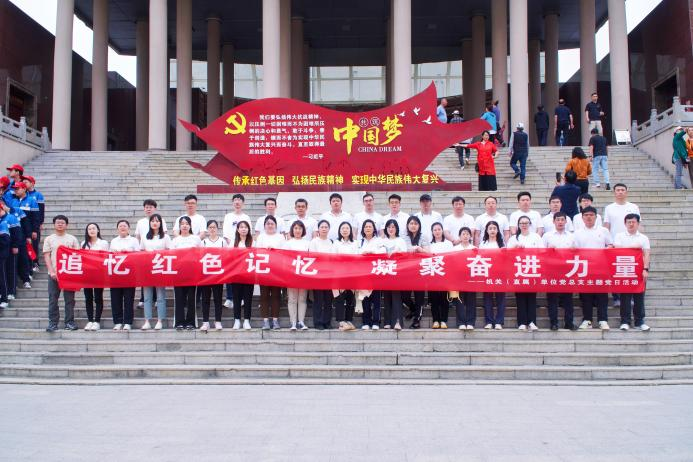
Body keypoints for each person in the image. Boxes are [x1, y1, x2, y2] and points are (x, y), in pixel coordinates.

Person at [573, 206, 613, 330]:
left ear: (596, 217)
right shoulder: (577, 232)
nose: (589, 217)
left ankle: (603, 320)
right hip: (584, 268)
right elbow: (574, 249)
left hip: (601, 267)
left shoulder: (603, 230)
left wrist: (606, 250)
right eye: (586, 215)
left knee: (602, 295)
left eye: (591, 215)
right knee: (586, 296)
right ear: (582, 217)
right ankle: (587, 320)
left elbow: (610, 245)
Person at [507, 215, 544, 331]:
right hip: (518, 271)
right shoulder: (514, 238)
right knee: (520, 297)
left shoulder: (536, 236)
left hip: (532, 270)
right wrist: (515, 248)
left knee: (532, 297)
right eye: (522, 223)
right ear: (518, 225)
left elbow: (542, 251)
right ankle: (522, 322)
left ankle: (532, 321)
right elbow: (507, 253)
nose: (524, 225)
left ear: (530, 224)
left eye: (526, 223)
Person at [615, 214, 651, 331]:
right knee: (625, 296)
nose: (631, 224)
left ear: (638, 223)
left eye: (633, 222)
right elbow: (617, 250)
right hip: (624, 269)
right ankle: (625, 321)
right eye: (629, 222)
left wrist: (645, 269)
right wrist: (633, 247)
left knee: (639, 295)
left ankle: (639, 321)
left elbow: (647, 254)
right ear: (625, 224)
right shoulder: (619, 236)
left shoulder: (643, 238)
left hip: (639, 270)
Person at [43, 215, 80, 332]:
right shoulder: (49, 239)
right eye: (58, 222)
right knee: (53, 299)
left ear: (66, 225)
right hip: (53, 274)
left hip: (69, 274)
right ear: (54, 224)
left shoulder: (72, 239)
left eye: (62, 223)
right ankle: (53, 323)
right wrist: (51, 271)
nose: (60, 224)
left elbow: (77, 255)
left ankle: (69, 322)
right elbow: (47, 256)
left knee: (70, 300)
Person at [542, 212, 577, 330]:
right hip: (551, 269)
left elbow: (578, 252)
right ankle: (554, 323)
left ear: (566, 221)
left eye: (562, 220)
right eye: (558, 220)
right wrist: (548, 250)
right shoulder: (547, 236)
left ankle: (569, 322)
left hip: (568, 270)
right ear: (554, 221)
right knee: (552, 297)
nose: (560, 222)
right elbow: (541, 252)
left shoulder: (572, 236)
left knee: (568, 298)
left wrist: (574, 250)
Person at [138, 214, 171, 331]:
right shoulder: (144, 237)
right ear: (150, 223)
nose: (155, 223)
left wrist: (159, 253)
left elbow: (170, 251)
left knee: (160, 296)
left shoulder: (165, 237)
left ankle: (160, 320)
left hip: (160, 268)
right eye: (152, 221)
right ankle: (147, 320)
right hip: (147, 269)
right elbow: (141, 251)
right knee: (147, 297)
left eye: (157, 221)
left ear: (161, 223)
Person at [170, 216, 202, 330]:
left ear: (190, 226)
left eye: (187, 223)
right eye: (182, 224)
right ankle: (179, 322)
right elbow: (171, 256)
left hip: (193, 273)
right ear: (179, 226)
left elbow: (201, 254)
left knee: (191, 298)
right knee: (179, 298)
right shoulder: (175, 240)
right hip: (178, 273)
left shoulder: (196, 239)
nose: (184, 226)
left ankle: (191, 322)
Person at [109, 220, 140, 331]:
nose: (122, 227)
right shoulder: (114, 241)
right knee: (115, 299)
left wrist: (128, 252)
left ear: (128, 228)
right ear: (117, 228)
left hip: (129, 274)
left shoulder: (134, 240)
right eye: (120, 226)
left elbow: (139, 255)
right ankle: (117, 322)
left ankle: (128, 322)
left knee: (128, 299)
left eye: (125, 226)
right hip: (115, 274)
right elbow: (109, 256)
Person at [7, 181, 39, 288]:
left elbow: (35, 217)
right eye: (14, 189)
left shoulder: (31, 200)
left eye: (18, 188)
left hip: (25, 233)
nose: (15, 190)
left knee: (24, 256)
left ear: (24, 189)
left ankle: (28, 275)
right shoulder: (13, 201)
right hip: (14, 234)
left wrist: (32, 232)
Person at [255, 216, 285, 330]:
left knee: (276, 295)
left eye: (272, 223)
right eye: (268, 223)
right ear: (264, 226)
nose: (270, 225)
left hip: (277, 270)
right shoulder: (261, 237)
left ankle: (275, 320)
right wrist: (265, 250)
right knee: (264, 295)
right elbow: (257, 251)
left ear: (276, 225)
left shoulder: (280, 237)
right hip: (264, 270)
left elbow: (284, 252)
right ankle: (265, 321)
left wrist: (275, 250)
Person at [222, 193, 251, 308]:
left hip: (244, 250)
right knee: (230, 273)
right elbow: (225, 233)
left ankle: (242, 298)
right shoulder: (228, 216)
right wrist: (233, 245)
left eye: (239, 200)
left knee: (242, 274)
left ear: (243, 203)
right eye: (235, 200)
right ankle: (230, 298)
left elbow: (249, 232)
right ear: (233, 202)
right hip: (231, 249)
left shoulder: (246, 217)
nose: (237, 202)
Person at [402, 216, 430, 329]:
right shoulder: (403, 237)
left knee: (419, 297)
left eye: (415, 223)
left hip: (420, 271)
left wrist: (420, 249)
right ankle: (413, 310)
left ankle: (417, 319)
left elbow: (429, 253)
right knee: (404, 297)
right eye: (411, 223)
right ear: (407, 225)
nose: (413, 225)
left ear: (419, 225)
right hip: (406, 271)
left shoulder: (423, 236)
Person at [80, 224, 109, 331]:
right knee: (88, 298)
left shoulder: (103, 243)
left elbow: (106, 257)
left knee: (98, 297)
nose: (91, 230)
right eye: (89, 229)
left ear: (98, 230)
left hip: (99, 273)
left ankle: (97, 321)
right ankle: (90, 320)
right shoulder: (84, 243)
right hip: (86, 273)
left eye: (93, 228)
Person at [357, 219, 385, 330]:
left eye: (370, 226)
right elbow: (355, 253)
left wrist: (373, 253)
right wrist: (363, 253)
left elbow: (383, 251)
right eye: (366, 227)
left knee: (376, 299)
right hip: (363, 274)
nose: (368, 228)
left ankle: (376, 322)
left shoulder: (379, 240)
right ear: (363, 229)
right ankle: (366, 322)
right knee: (365, 299)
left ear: (374, 229)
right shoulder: (359, 242)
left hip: (375, 273)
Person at [283, 220, 310, 330]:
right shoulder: (288, 243)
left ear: (303, 230)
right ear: (292, 230)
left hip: (304, 274)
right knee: (292, 298)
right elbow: (284, 258)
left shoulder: (307, 243)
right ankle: (293, 322)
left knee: (302, 298)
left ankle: (301, 321)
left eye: (300, 228)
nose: (298, 230)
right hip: (291, 274)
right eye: (295, 228)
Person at [381, 219, 407, 330]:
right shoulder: (382, 241)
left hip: (397, 272)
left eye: (393, 227)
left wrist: (396, 252)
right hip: (384, 271)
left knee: (396, 297)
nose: (391, 229)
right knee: (386, 296)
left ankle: (397, 322)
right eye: (389, 227)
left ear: (396, 228)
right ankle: (387, 321)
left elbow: (405, 254)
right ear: (386, 229)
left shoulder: (400, 241)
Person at [200, 220, 226, 331]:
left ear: (217, 229)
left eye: (214, 227)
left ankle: (218, 321)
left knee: (218, 299)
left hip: (218, 275)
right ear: (207, 229)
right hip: (206, 274)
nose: (212, 229)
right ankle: (205, 322)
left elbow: (227, 256)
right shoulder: (203, 242)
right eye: (210, 227)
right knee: (205, 299)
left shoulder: (222, 241)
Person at [479, 221, 505, 330]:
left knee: (500, 299)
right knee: (487, 298)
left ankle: (499, 321)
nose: (492, 230)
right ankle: (489, 321)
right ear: (487, 230)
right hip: (487, 273)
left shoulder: (502, 244)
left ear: (498, 230)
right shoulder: (483, 244)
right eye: (490, 228)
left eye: (494, 228)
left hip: (500, 273)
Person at [309, 220, 335, 329]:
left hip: (329, 274)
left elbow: (334, 257)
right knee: (318, 299)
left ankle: (327, 322)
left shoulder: (332, 242)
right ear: (318, 229)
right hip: (318, 274)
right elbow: (312, 256)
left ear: (329, 229)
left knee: (328, 299)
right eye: (322, 227)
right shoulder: (314, 242)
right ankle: (318, 322)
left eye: (326, 227)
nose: (324, 229)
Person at [333, 222, 358, 331]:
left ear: (350, 230)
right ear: (339, 230)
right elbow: (333, 258)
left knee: (350, 298)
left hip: (352, 274)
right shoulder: (336, 243)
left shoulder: (355, 243)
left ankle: (348, 320)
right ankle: (341, 322)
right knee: (339, 298)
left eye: (347, 228)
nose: (345, 230)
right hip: (339, 274)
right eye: (342, 228)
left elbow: (357, 257)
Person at [429, 222, 453, 329]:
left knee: (444, 298)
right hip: (432, 274)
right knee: (434, 298)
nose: (437, 231)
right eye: (435, 230)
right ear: (432, 232)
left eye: (439, 229)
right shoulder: (429, 245)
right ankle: (435, 320)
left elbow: (451, 258)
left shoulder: (448, 244)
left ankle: (443, 320)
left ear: (442, 230)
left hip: (445, 274)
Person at [452, 227, 476, 330]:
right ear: (459, 236)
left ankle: (470, 322)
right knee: (459, 300)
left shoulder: (474, 248)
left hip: (471, 277)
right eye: (463, 234)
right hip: (458, 278)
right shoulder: (455, 249)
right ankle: (461, 322)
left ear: (470, 236)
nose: (465, 236)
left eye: (467, 234)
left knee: (471, 300)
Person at [231, 221, 254, 330]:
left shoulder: (253, 242)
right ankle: (237, 320)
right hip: (236, 275)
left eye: (245, 227)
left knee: (248, 298)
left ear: (249, 229)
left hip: (249, 274)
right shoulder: (233, 242)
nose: (243, 229)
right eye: (241, 227)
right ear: (238, 229)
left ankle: (247, 320)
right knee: (236, 298)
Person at [0, 201, 21, 301]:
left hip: (11, 247)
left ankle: (11, 292)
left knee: (11, 269)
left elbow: (17, 232)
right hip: (3, 248)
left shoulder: (11, 218)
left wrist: (15, 245)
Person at [22, 176, 44, 272]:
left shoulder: (38, 195)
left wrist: (40, 223)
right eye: (23, 181)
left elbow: (41, 211)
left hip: (34, 224)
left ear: (32, 183)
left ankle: (35, 262)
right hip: (25, 225)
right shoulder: (23, 194)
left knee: (34, 244)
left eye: (26, 182)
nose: (24, 183)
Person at [0, 219, 9, 309]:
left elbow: (6, 241)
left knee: (2, 278)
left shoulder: (2, 224)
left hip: (1, 255)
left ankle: (4, 299)